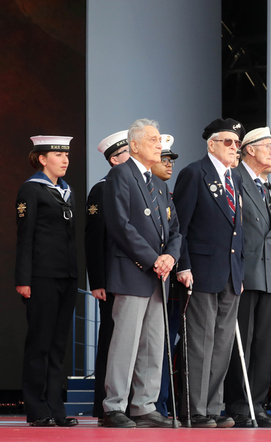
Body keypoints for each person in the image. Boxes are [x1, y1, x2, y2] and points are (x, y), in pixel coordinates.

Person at [102, 119, 181, 428]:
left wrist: (170, 257)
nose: (159, 144)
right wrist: (153, 259)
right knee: (126, 342)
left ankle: (144, 405)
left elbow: (175, 229)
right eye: (153, 139)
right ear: (134, 145)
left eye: (159, 139)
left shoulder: (159, 184)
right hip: (134, 271)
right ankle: (115, 406)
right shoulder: (121, 175)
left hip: (158, 275)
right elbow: (121, 225)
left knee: (152, 343)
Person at [172, 118, 245, 428]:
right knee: (200, 342)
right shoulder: (193, 173)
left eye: (237, 143)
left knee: (222, 343)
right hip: (200, 270)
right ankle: (195, 409)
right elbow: (180, 227)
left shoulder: (236, 178)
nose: (234, 148)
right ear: (211, 144)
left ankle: (213, 408)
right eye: (227, 142)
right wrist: (184, 264)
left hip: (230, 273)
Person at [223, 127, 271, 427]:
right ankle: (239, 404)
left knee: (263, 344)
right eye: (268, 146)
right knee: (241, 342)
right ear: (249, 149)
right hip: (244, 273)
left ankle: (257, 404)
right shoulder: (235, 179)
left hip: (268, 274)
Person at [15, 135, 79, 427]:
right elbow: (25, 237)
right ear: (42, 158)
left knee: (58, 344)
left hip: (66, 276)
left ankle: (56, 407)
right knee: (39, 342)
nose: (65, 159)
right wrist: (23, 279)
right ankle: (36, 407)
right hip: (40, 276)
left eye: (66, 154)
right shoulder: (31, 190)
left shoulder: (67, 191)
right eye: (57, 154)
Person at [85, 130, 130, 424]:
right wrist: (98, 281)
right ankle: (104, 405)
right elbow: (94, 238)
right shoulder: (101, 189)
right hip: (111, 280)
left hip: (130, 278)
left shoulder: (133, 185)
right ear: (114, 159)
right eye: (127, 151)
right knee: (111, 339)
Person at [150, 134, 181, 417]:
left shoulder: (167, 194)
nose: (168, 164)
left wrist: (172, 257)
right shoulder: (147, 191)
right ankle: (153, 403)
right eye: (163, 159)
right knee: (152, 346)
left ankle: (162, 402)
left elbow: (176, 232)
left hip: (170, 279)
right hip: (148, 275)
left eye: (171, 159)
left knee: (166, 345)